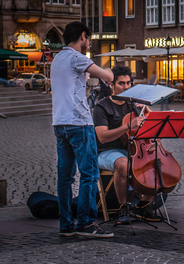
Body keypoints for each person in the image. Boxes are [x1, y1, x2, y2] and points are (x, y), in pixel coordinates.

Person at [52, 21, 115, 238]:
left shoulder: (57, 58)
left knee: (65, 177)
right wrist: (107, 69)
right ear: (82, 36)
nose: (89, 43)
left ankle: (66, 224)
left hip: (60, 123)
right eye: (89, 39)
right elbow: (108, 77)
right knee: (89, 174)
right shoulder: (77, 57)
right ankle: (87, 223)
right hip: (79, 123)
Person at [92, 65, 155, 224]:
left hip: (131, 149)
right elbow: (102, 137)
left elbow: (152, 127)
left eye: (128, 83)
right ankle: (123, 207)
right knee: (123, 164)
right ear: (111, 85)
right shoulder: (102, 107)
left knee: (155, 162)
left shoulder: (133, 104)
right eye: (122, 83)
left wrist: (147, 112)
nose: (126, 87)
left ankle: (143, 205)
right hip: (106, 152)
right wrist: (128, 126)